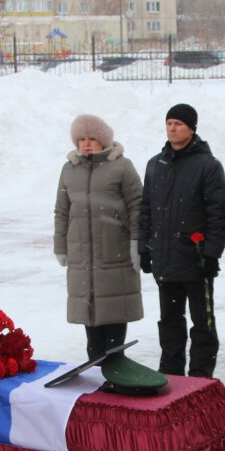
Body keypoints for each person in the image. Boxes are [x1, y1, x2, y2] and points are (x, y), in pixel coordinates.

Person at [138, 103, 225, 378]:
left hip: (196, 259)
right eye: (169, 123)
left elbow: (219, 213)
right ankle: (171, 371)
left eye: (178, 123)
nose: (172, 128)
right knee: (169, 320)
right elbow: (146, 209)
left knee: (202, 322)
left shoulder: (208, 166)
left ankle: (201, 375)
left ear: (192, 129)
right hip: (165, 260)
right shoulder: (156, 164)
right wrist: (144, 248)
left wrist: (212, 254)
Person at [54, 114, 143, 361]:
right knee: (91, 324)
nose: (86, 143)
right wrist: (60, 246)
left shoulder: (122, 166)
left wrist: (137, 242)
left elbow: (137, 205)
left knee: (114, 320)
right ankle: (96, 370)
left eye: (92, 138)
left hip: (115, 254)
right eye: (81, 138)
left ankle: (116, 371)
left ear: (102, 140)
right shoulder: (69, 169)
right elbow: (62, 210)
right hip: (83, 258)